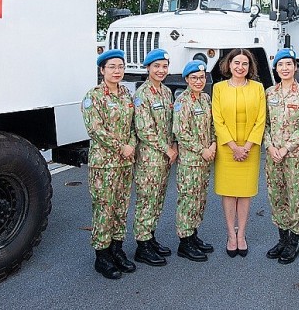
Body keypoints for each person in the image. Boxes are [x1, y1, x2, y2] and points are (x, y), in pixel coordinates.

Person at [81, 49, 137, 280]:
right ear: (102, 70)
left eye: (121, 67)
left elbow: (134, 126)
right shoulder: (93, 96)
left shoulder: (126, 94)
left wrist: (132, 144)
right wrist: (121, 147)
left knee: (121, 208)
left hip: (125, 164)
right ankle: (102, 256)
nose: (117, 71)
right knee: (104, 209)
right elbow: (95, 129)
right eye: (112, 67)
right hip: (104, 164)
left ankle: (117, 248)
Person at [263, 49, 299, 264]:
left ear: (295, 67)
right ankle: (282, 238)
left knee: (295, 197)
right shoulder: (269, 93)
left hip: (294, 157)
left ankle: (293, 241)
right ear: (275, 68)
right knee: (277, 197)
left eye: (288, 64)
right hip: (273, 156)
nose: (285, 68)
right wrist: (269, 146)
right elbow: (262, 124)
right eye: (280, 64)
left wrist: (286, 148)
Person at [212, 48, 266, 257]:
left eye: (245, 63)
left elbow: (261, 120)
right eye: (236, 63)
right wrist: (234, 147)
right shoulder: (218, 88)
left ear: (250, 66)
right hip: (227, 149)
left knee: (244, 193)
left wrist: (247, 146)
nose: (240, 67)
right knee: (228, 192)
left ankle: (241, 234)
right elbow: (218, 120)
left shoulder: (258, 88)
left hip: (250, 148)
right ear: (229, 65)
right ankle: (230, 234)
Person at [132, 49, 178, 267]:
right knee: (146, 201)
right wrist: (166, 149)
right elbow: (144, 130)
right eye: (156, 66)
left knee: (158, 200)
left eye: (164, 66)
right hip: (150, 158)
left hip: (164, 157)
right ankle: (142, 246)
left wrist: (174, 145)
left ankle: (150, 238)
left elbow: (170, 124)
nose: (161, 70)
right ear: (148, 68)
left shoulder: (166, 93)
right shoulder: (142, 95)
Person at [172, 60, 216, 262]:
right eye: (194, 78)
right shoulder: (183, 101)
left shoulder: (206, 99)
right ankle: (184, 242)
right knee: (188, 200)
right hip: (190, 160)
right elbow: (181, 134)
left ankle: (194, 235)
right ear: (187, 79)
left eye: (201, 77)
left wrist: (213, 144)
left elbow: (213, 125)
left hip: (206, 159)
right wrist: (202, 150)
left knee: (199, 199)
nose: (198, 81)